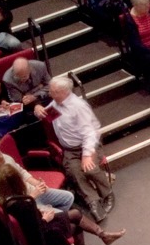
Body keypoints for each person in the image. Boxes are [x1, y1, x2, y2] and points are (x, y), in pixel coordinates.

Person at [46, 75, 115, 217]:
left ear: (62, 92)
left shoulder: (78, 106)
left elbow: (89, 133)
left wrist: (87, 155)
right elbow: (48, 116)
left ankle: (107, 193)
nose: (49, 93)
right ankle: (93, 200)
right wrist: (38, 110)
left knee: (90, 169)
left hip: (89, 146)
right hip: (70, 150)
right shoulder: (55, 103)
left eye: (52, 91)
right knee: (75, 172)